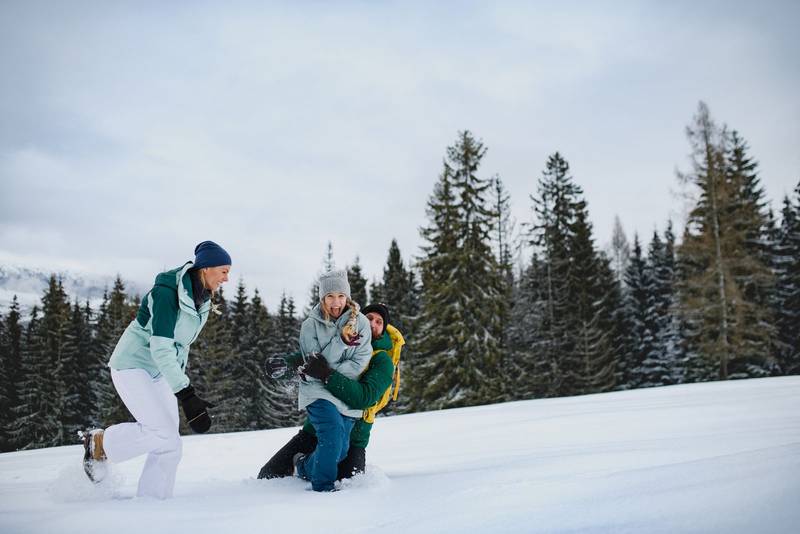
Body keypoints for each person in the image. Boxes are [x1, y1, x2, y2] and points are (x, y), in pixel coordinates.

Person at [80, 241, 231, 499]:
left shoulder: (202, 296)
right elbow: (161, 347)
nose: (226, 278)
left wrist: (180, 383)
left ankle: (153, 503)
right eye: (224, 271)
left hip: (159, 371)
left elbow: (180, 345)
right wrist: (186, 393)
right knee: (160, 431)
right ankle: (101, 443)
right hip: (132, 365)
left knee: (171, 442)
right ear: (206, 268)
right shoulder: (167, 293)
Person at [259, 302, 404, 481]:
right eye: (369, 318)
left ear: (383, 329)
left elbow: (364, 397)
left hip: (353, 438)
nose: (373, 324)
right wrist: (284, 367)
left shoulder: (382, 361)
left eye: (379, 322)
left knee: (347, 482)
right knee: (269, 475)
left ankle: (303, 465)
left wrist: (327, 375)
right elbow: (309, 359)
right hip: (316, 429)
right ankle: (305, 464)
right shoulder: (342, 338)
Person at [264, 269, 372, 492]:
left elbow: (359, 362)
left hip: (343, 393)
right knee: (332, 432)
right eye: (330, 296)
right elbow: (314, 364)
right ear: (322, 298)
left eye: (341, 296)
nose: (336, 302)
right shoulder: (310, 325)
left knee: (340, 450)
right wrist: (341, 343)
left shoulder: (361, 323)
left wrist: (328, 371)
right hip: (317, 391)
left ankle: (303, 466)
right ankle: (323, 488)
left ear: (347, 296)